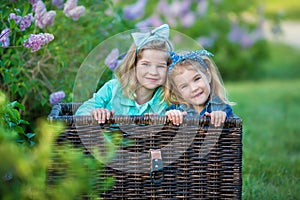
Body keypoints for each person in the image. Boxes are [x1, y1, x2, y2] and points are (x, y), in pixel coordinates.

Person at [75, 24, 173, 123]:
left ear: (168, 68)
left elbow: (181, 116)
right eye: (146, 64)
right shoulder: (113, 88)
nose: (153, 72)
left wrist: (171, 117)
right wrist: (95, 112)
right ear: (133, 65)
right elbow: (81, 111)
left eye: (161, 66)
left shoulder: (165, 99)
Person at [164, 49, 235, 126]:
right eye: (184, 86)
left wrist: (221, 116)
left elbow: (234, 128)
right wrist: (171, 115)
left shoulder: (221, 108)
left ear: (208, 75)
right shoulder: (177, 109)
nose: (193, 88)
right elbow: (162, 128)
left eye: (197, 79)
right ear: (178, 92)